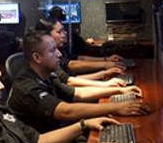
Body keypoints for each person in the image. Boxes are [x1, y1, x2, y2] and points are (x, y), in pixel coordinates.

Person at [8, 30, 149, 133]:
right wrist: (116, 107)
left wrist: (119, 90)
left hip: (63, 133)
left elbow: (77, 94)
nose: (59, 54)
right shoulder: (27, 87)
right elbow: (66, 111)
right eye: (52, 51)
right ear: (37, 58)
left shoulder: (47, 76)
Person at [35, 18, 136, 90]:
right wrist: (105, 75)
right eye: (59, 32)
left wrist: (106, 64)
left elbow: (77, 60)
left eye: (64, 30)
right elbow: (70, 78)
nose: (65, 34)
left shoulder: (60, 49)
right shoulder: (48, 61)